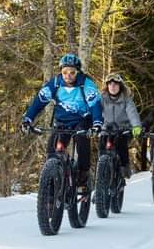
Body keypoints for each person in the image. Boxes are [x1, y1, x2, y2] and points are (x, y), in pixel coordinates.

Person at [21, 53, 102, 191]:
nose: (68, 75)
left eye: (72, 72)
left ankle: (83, 176)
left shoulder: (86, 84)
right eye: (64, 72)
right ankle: (52, 183)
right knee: (52, 150)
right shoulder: (56, 83)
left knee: (81, 140)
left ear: (78, 72)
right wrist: (27, 119)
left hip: (82, 120)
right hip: (62, 121)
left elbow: (95, 105)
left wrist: (97, 124)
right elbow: (39, 101)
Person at [99, 73, 142, 178]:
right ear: (107, 86)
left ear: (120, 86)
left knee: (121, 144)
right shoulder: (102, 98)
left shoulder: (126, 99)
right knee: (102, 146)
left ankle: (124, 168)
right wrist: (94, 125)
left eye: (115, 84)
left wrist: (136, 126)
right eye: (110, 84)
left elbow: (132, 113)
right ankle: (101, 171)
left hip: (123, 128)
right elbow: (95, 112)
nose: (113, 87)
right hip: (107, 129)